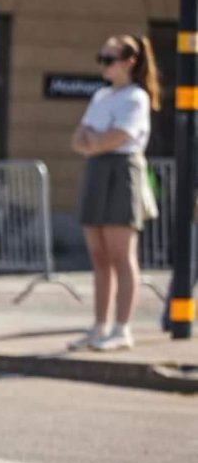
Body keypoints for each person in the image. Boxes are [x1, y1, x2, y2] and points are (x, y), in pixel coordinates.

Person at [69, 33, 160, 351]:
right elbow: (78, 138)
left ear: (129, 62)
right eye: (101, 59)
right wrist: (95, 140)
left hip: (122, 172)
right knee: (99, 255)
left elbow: (117, 138)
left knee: (121, 254)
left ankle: (122, 328)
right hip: (96, 172)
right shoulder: (100, 96)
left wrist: (95, 140)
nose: (103, 66)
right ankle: (99, 324)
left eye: (109, 59)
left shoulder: (136, 97)